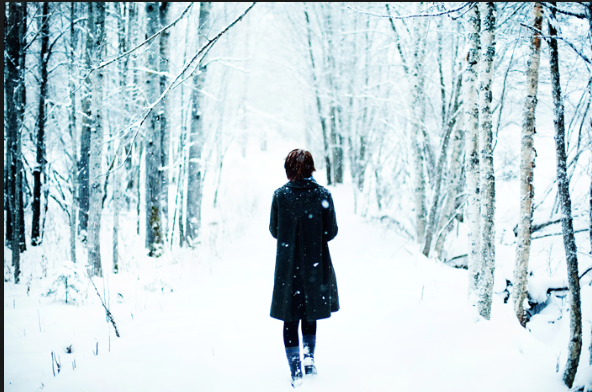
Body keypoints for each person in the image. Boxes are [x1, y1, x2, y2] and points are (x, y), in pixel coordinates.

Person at [269, 148, 340, 388]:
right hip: (315, 264)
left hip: (288, 267)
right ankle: (309, 358)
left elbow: (274, 231)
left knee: (290, 317)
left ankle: (295, 369)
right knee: (310, 312)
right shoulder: (323, 194)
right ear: (311, 168)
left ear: (288, 169)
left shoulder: (280, 196)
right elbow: (331, 232)